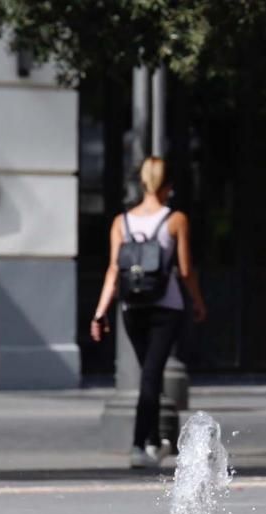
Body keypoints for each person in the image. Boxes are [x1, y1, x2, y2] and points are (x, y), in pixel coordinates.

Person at [90, 157, 207, 469]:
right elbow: (185, 270)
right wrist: (197, 301)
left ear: (142, 183)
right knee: (151, 376)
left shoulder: (122, 222)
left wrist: (100, 312)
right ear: (168, 185)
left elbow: (114, 271)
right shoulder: (175, 220)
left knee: (148, 375)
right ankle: (140, 444)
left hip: (132, 309)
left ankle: (154, 440)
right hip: (165, 308)